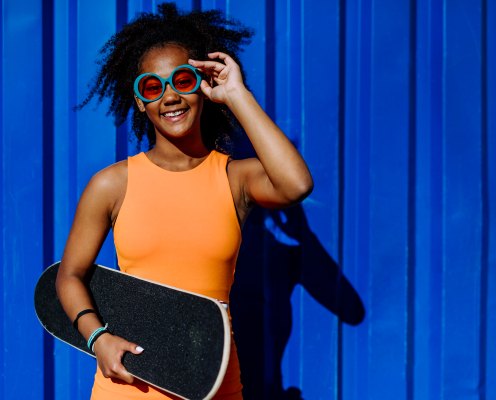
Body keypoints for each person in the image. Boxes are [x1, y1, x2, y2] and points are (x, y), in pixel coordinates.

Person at [56, 3, 313, 399]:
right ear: (140, 102)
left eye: (183, 80)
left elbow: (296, 185)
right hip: (127, 387)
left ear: (202, 85)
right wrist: (98, 339)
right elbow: (69, 275)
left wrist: (235, 94)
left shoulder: (234, 178)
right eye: (153, 87)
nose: (171, 96)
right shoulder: (112, 185)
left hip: (215, 385)